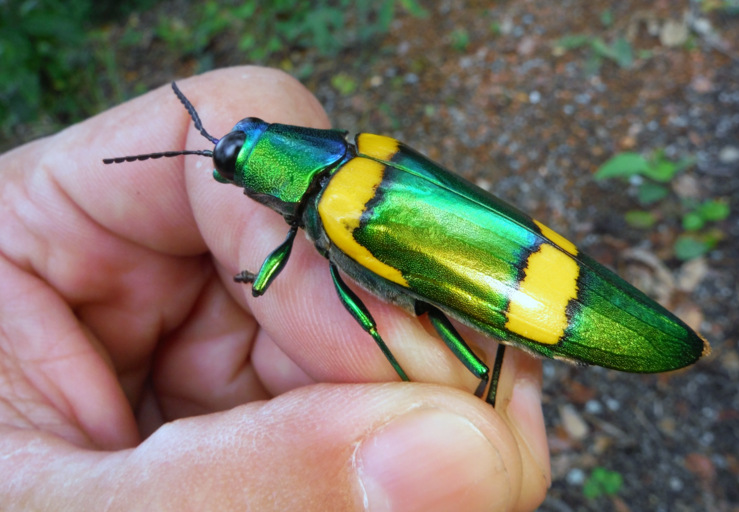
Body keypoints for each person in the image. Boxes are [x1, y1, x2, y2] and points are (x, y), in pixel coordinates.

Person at [0, 66, 549, 510]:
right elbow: (268, 274)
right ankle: (441, 393)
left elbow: (267, 284)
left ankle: (423, 389)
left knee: (396, 327)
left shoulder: (338, 211)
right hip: (510, 256)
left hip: (521, 294)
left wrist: (255, 279)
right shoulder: (364, 150)